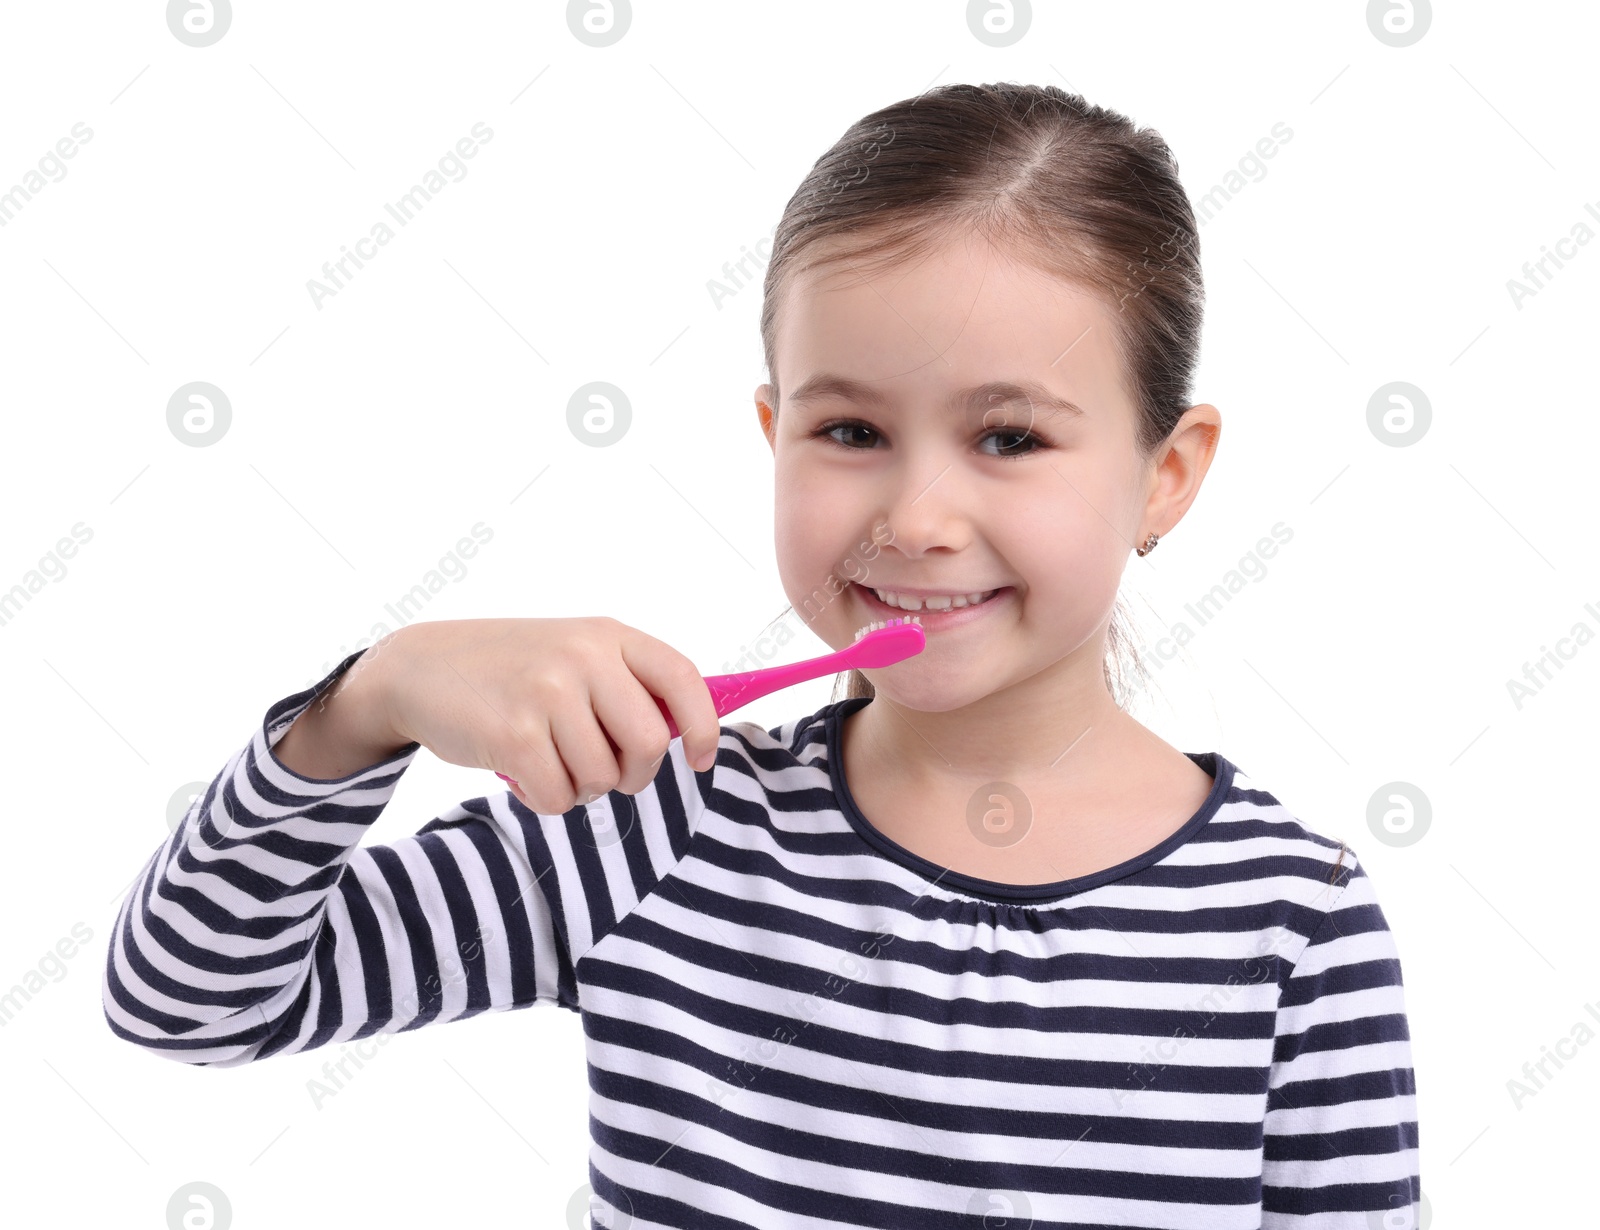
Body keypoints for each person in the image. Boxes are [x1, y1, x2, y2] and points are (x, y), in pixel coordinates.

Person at [103, 82, 1420, 1227]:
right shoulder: (656, 824)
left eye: (1010, 437)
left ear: (1165, 475)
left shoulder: (1293, 922)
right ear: (772, 429)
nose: (914, 517)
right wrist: (369, 700)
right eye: (849, 432)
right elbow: (187, 999)